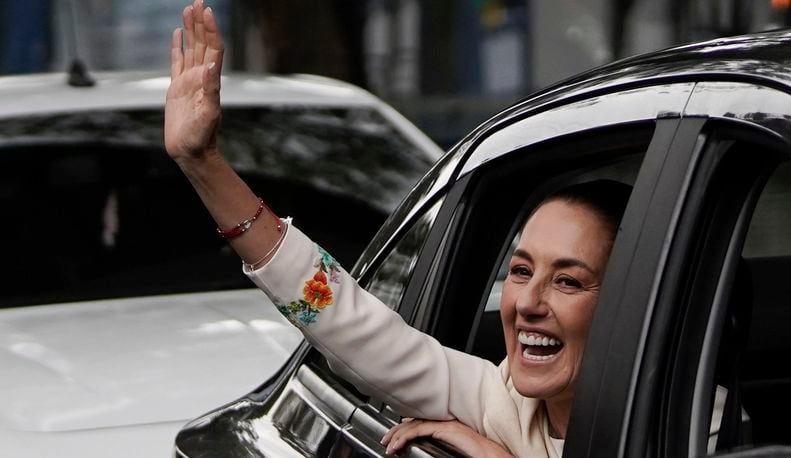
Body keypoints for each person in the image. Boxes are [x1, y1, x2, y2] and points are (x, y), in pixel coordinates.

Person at [164, 1, 631, 456]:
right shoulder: (503, 402)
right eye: (521, 271)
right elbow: (338, 315)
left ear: (631, 302)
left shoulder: (697, 430)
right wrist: (203, 163)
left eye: (568, 280)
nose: (527, 304)